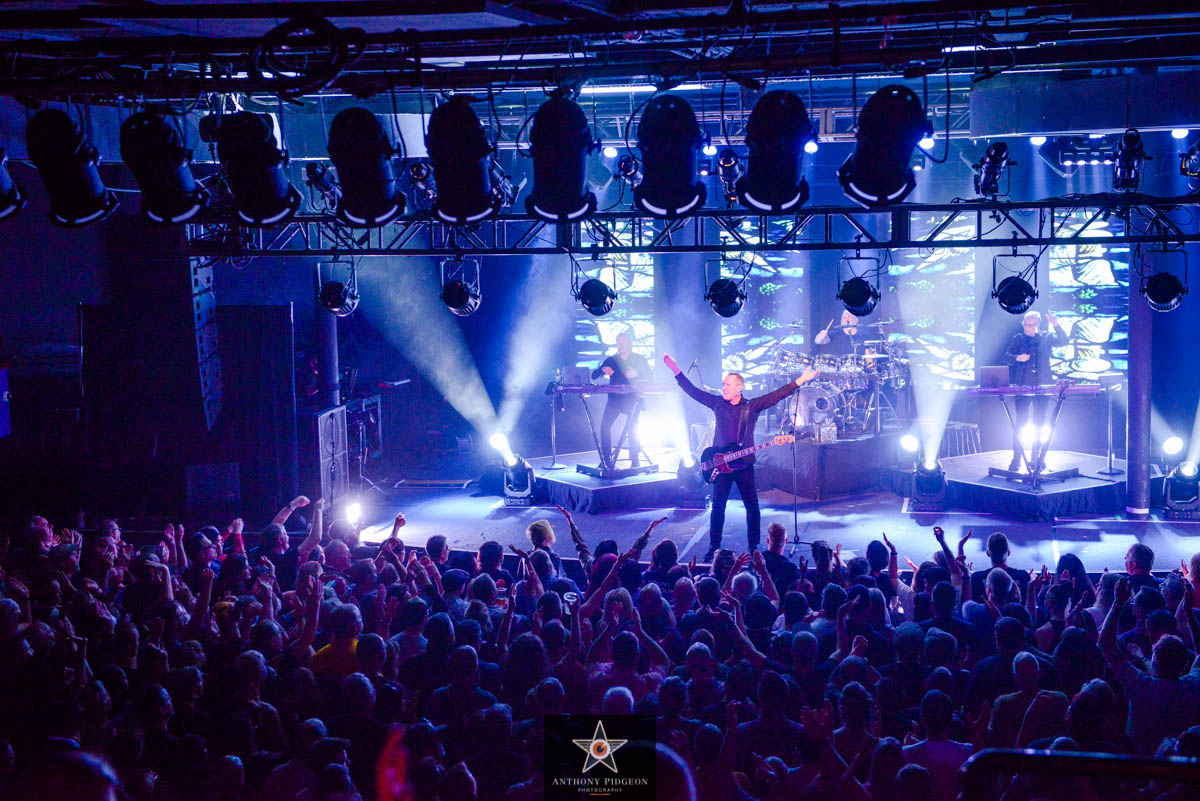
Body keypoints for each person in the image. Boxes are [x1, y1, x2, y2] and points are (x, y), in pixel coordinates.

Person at [663, 352, 818, 559]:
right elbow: (693, 392)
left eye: (728, 384)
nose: (724, 388)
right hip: (720, 465)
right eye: (723, 384)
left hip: (744, 466)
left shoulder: (751, 407)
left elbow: (777, 395)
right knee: (718, 509)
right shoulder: (718, 403)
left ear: (739, 387)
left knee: (752, 508)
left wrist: (800, 380)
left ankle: (754, 546)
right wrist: (676, 370)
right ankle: (713, 547)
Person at [1003, 310, 1067, 470]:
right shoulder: (1018, 338)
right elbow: (1006, 357)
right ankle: (1016, 459)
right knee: (1020, 424)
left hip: (1042, 387)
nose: (1026, 327)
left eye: (1030, 324)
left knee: (1040, 424)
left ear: (1037, 325)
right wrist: (1018, 358)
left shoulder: (1046, 337)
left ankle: (1037, 458)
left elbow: (1064, 340)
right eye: (1024, 324)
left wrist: (1055, 324)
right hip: (1022, 387)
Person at [591, 331, 652, 468]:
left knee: (633, 427)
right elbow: (594, 375)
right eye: (618, 343)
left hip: (632, 399)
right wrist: (602, 370)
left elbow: (650, 374)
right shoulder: (611, 359)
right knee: (605, 425)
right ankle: (607, 459)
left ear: (629, 343)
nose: (620, 346)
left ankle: (634, 458)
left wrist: (637, 373)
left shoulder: (639, 359)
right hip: (615, 400)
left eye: (623, 342)